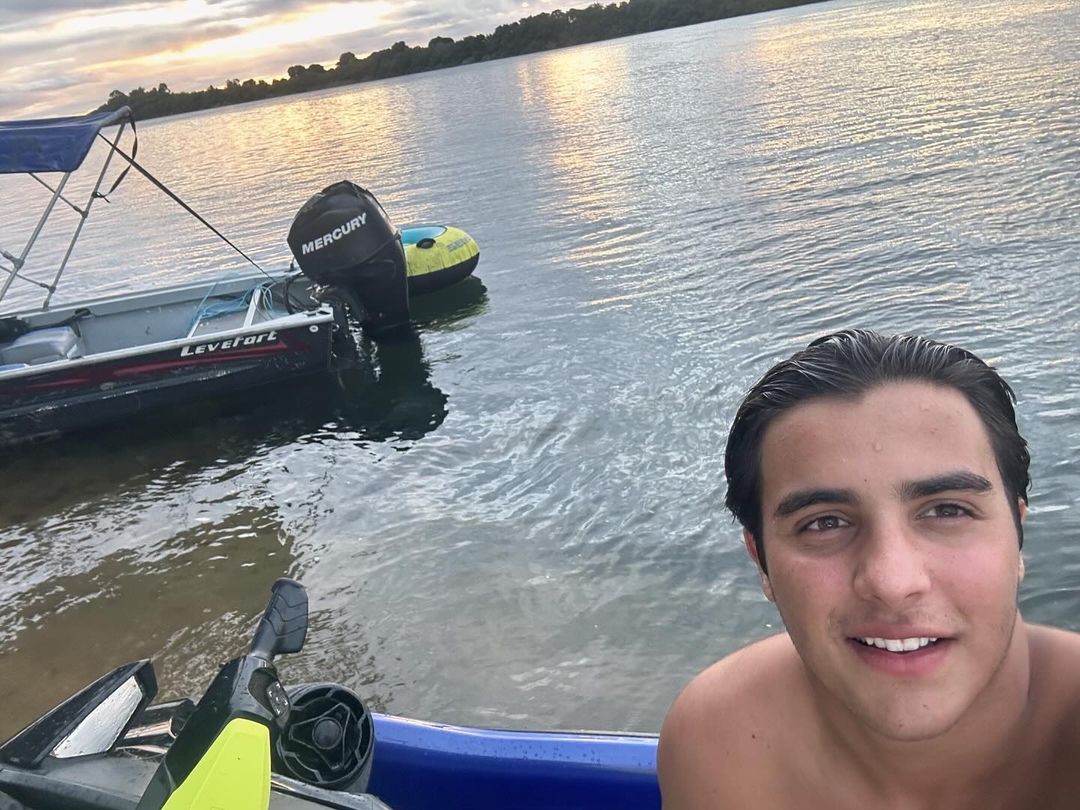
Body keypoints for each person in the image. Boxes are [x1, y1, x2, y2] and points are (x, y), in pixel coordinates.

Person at [657, 329, 1080, 809]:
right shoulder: (723, 740)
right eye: (825, 523)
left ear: (1017, 537)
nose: (892, 582)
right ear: (762, 562)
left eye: (947, 511)